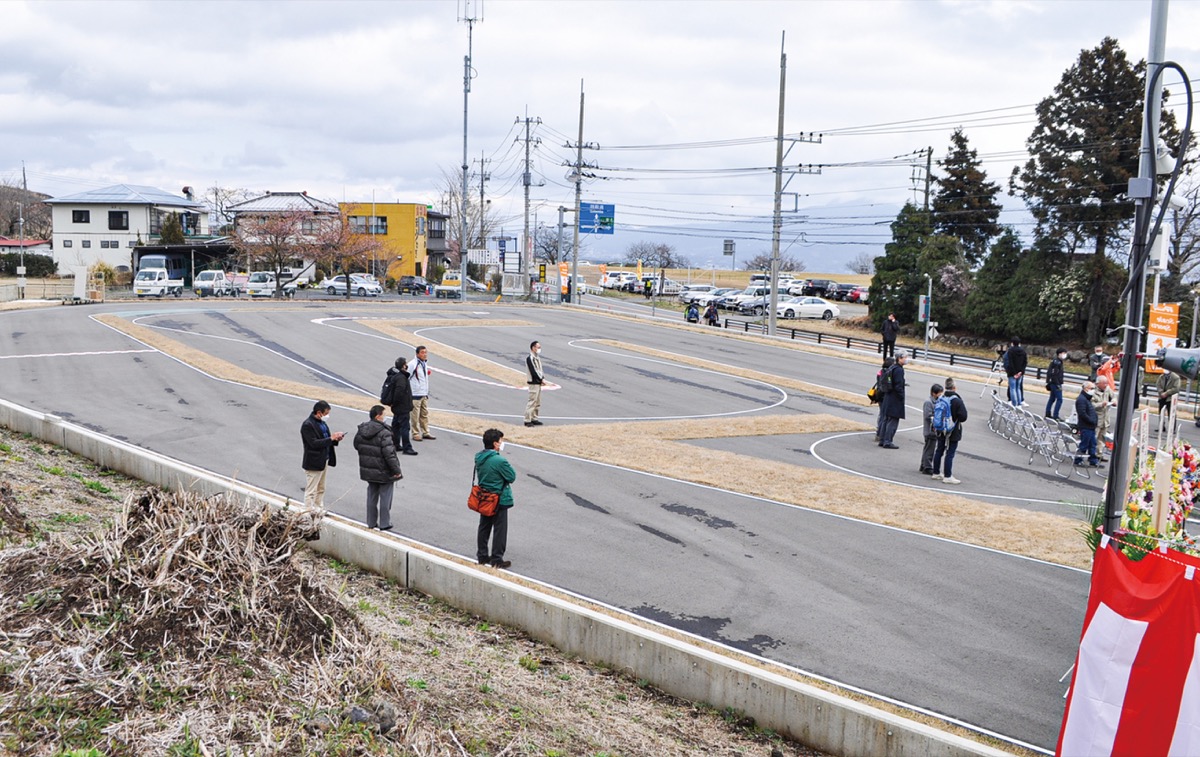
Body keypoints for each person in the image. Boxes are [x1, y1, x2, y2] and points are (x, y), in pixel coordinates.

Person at [353, 405, 404, 530]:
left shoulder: (362, 429)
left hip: (368, 469)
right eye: (383, 414)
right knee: (385, 497)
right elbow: (389, 454)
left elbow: (356, 445)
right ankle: (384, 523)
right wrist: (396, 470)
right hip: (384, 470)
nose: (385, 417)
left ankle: (371, 522)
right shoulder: (384, 432)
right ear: (378, 416)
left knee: (371, 495)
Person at [475, 428, 517, 569]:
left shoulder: (479, 457)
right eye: (500, 441)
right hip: (499, 498)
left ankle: (482, 555)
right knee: (500, 529)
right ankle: (497, 558)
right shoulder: (499, 460)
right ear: (495, 444)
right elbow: (511, 476)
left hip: (484, 496)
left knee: (484, 526)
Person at [300, 400, 344, 508]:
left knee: (321, 488)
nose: (327, 416)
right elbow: (313, 443)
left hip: (324, 459)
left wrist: (335, 439)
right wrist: (331, 438)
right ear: (319, 412)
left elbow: (326, 440)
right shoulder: (307, 425)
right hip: (313, 461)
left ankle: (318, 508)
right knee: (311, 490)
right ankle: (308, 511)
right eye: (326, 413)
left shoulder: (322, 423)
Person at [931, 377, 969, 485]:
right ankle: (948, 475)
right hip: (953, 429)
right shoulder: (957, 400)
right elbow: (963, 417)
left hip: (941, 427)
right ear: (954, 388)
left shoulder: (941, 398)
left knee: (939, 449)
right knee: (950, 452)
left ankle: (936, 472)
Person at [383, 357, 417, 456]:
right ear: (403, 365)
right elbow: (399, 392)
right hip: (402, 407)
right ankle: (407, 447)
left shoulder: (396, 376)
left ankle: (396, 444)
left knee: (396, 426)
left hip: (397, 407)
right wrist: (396, 402)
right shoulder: (401, 378)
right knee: (405, 427)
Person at [879, 351, 907, 449]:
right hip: (894, 399)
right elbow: (898, 386)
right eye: (905, 357)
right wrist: (902, 396)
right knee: (893, 420)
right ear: (900, 358)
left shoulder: (892, 367)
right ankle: (887, 441)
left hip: (888, 396)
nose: (906, 359)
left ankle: (882, 439)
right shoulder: (898, 370)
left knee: (886, 420)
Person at [408, 345, 435, 441]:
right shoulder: (412, 364)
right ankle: (415, 433)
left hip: (424, 393)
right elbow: (407, 377)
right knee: (415, 415)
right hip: (415, 394)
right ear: (417, 354)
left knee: (424, 414)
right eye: (422, 352)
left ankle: (425, 432)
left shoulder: (424, 363)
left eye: (425, 352)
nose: (424, 354)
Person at [1074, 381, 1101, 468]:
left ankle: (1093, 460)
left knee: (1092, 444)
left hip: (1090, 426)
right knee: (1084, 444)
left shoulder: (1087, 399)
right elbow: (1082, 413)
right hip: (1086, 426)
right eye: (1091, 388)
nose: (1093, 390)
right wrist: (1091, 421)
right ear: (1086, 389)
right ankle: (1078, 460)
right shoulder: (1082, 399)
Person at [920, 383, 944, 475]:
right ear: (934, 393)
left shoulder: (937, 401)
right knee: (930, 449)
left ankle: (923, 465)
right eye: (939, 393)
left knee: (928, 448)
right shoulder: (928, 402)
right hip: (930, 430)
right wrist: (937, 418)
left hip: (933, 429)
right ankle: (927, 466)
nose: (941, 395)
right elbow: (928, 416)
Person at [1092, 375, 1117, 462]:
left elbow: (1114, 396)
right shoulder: (1092, 391)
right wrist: (1101, 404)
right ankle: (1092, 454)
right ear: (1098, 384)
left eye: (1106, 383)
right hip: (1097, 418)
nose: (1106, 385)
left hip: (1105, 419)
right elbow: (1091, 405)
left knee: (1102, 438)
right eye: (1104, 383)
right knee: (1094, 437)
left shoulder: (1107, 389)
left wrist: (1113, 401)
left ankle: (1099, 454)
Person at [873, 356, 896, 443]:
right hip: (884, 396)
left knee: (882, 415)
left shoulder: (880, 372)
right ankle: (880, 434)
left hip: (879, 395)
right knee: (884, 416)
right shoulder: (888, 373)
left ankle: (879, 432)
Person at [524, 341, 545, 428]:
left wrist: (542, 378)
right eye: (538, 347)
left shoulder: (537, 358)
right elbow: (533, 371)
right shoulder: (530, 358)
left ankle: (534, 418)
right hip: (533, 382)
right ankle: (527, 419)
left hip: (538, 382)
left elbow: (540, 369)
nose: (539, 349)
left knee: (537, 401)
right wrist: (540, 379)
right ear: (533, 348)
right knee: (532, 401)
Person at [1004, 336, 1027, 407]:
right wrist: (1021, 372)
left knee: (1012, 388)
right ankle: (1019, 403)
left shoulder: (1010, 351)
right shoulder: (1023, 351)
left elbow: (1011, 363)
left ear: (1012, 343)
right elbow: (1025, 362)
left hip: (1012, 373)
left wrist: (1013, 373)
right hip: (1020, 373)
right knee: (1018, 388)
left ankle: (1014, 403)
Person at [1045, 348, 1066, 420]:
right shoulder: (1057, 362)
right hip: (1056, 383)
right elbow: (1054, 374)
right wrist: (1058, 384)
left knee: (1052, 398)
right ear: (1059, 354)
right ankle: (1055, 415)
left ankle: (1048, 413)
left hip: (1052, 382)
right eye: (1063, 353)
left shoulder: (1056, 361)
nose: (1064, 355)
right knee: (1059, 399)